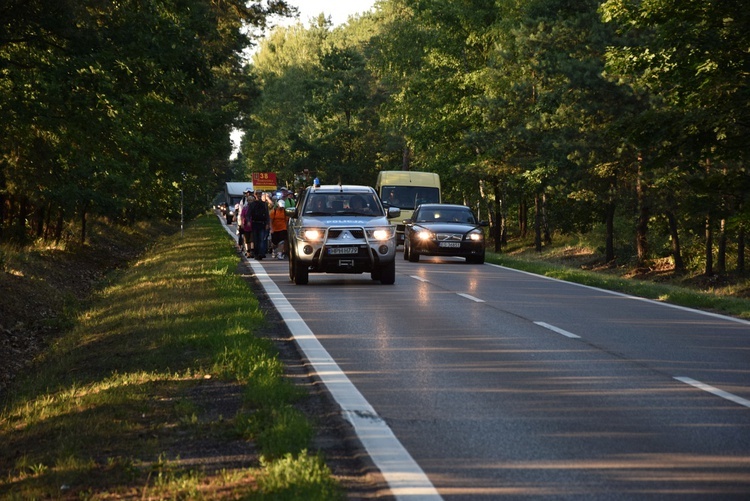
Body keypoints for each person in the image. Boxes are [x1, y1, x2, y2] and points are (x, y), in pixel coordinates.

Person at [250, 190, 270, 260]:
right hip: (255, 223)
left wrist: (267, 223)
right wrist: (249, 222)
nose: (259, 195)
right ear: (255, 195)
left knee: (261, 239)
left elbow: (267, 214)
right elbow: (249, 214)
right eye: (257, 194)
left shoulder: (264, 204)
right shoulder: (252, 204)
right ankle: (256, 253)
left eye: (260, 194)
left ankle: (261, 253)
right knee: (256, 239)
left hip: (262, 223)